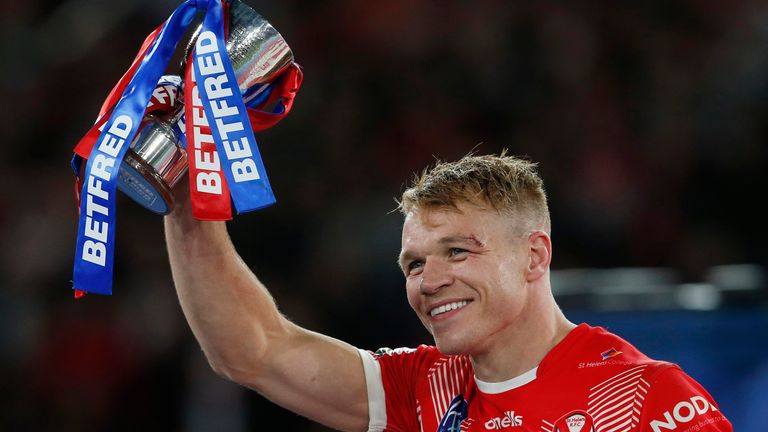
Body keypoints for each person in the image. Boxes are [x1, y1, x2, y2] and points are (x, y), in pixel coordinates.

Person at [164, 152, 733, 432]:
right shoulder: (424, 388)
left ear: (534, 256)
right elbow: (254, 351)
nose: (428, 281)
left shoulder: (646, 400)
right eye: (413, 262)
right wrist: (186, 197)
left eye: (458, 252)